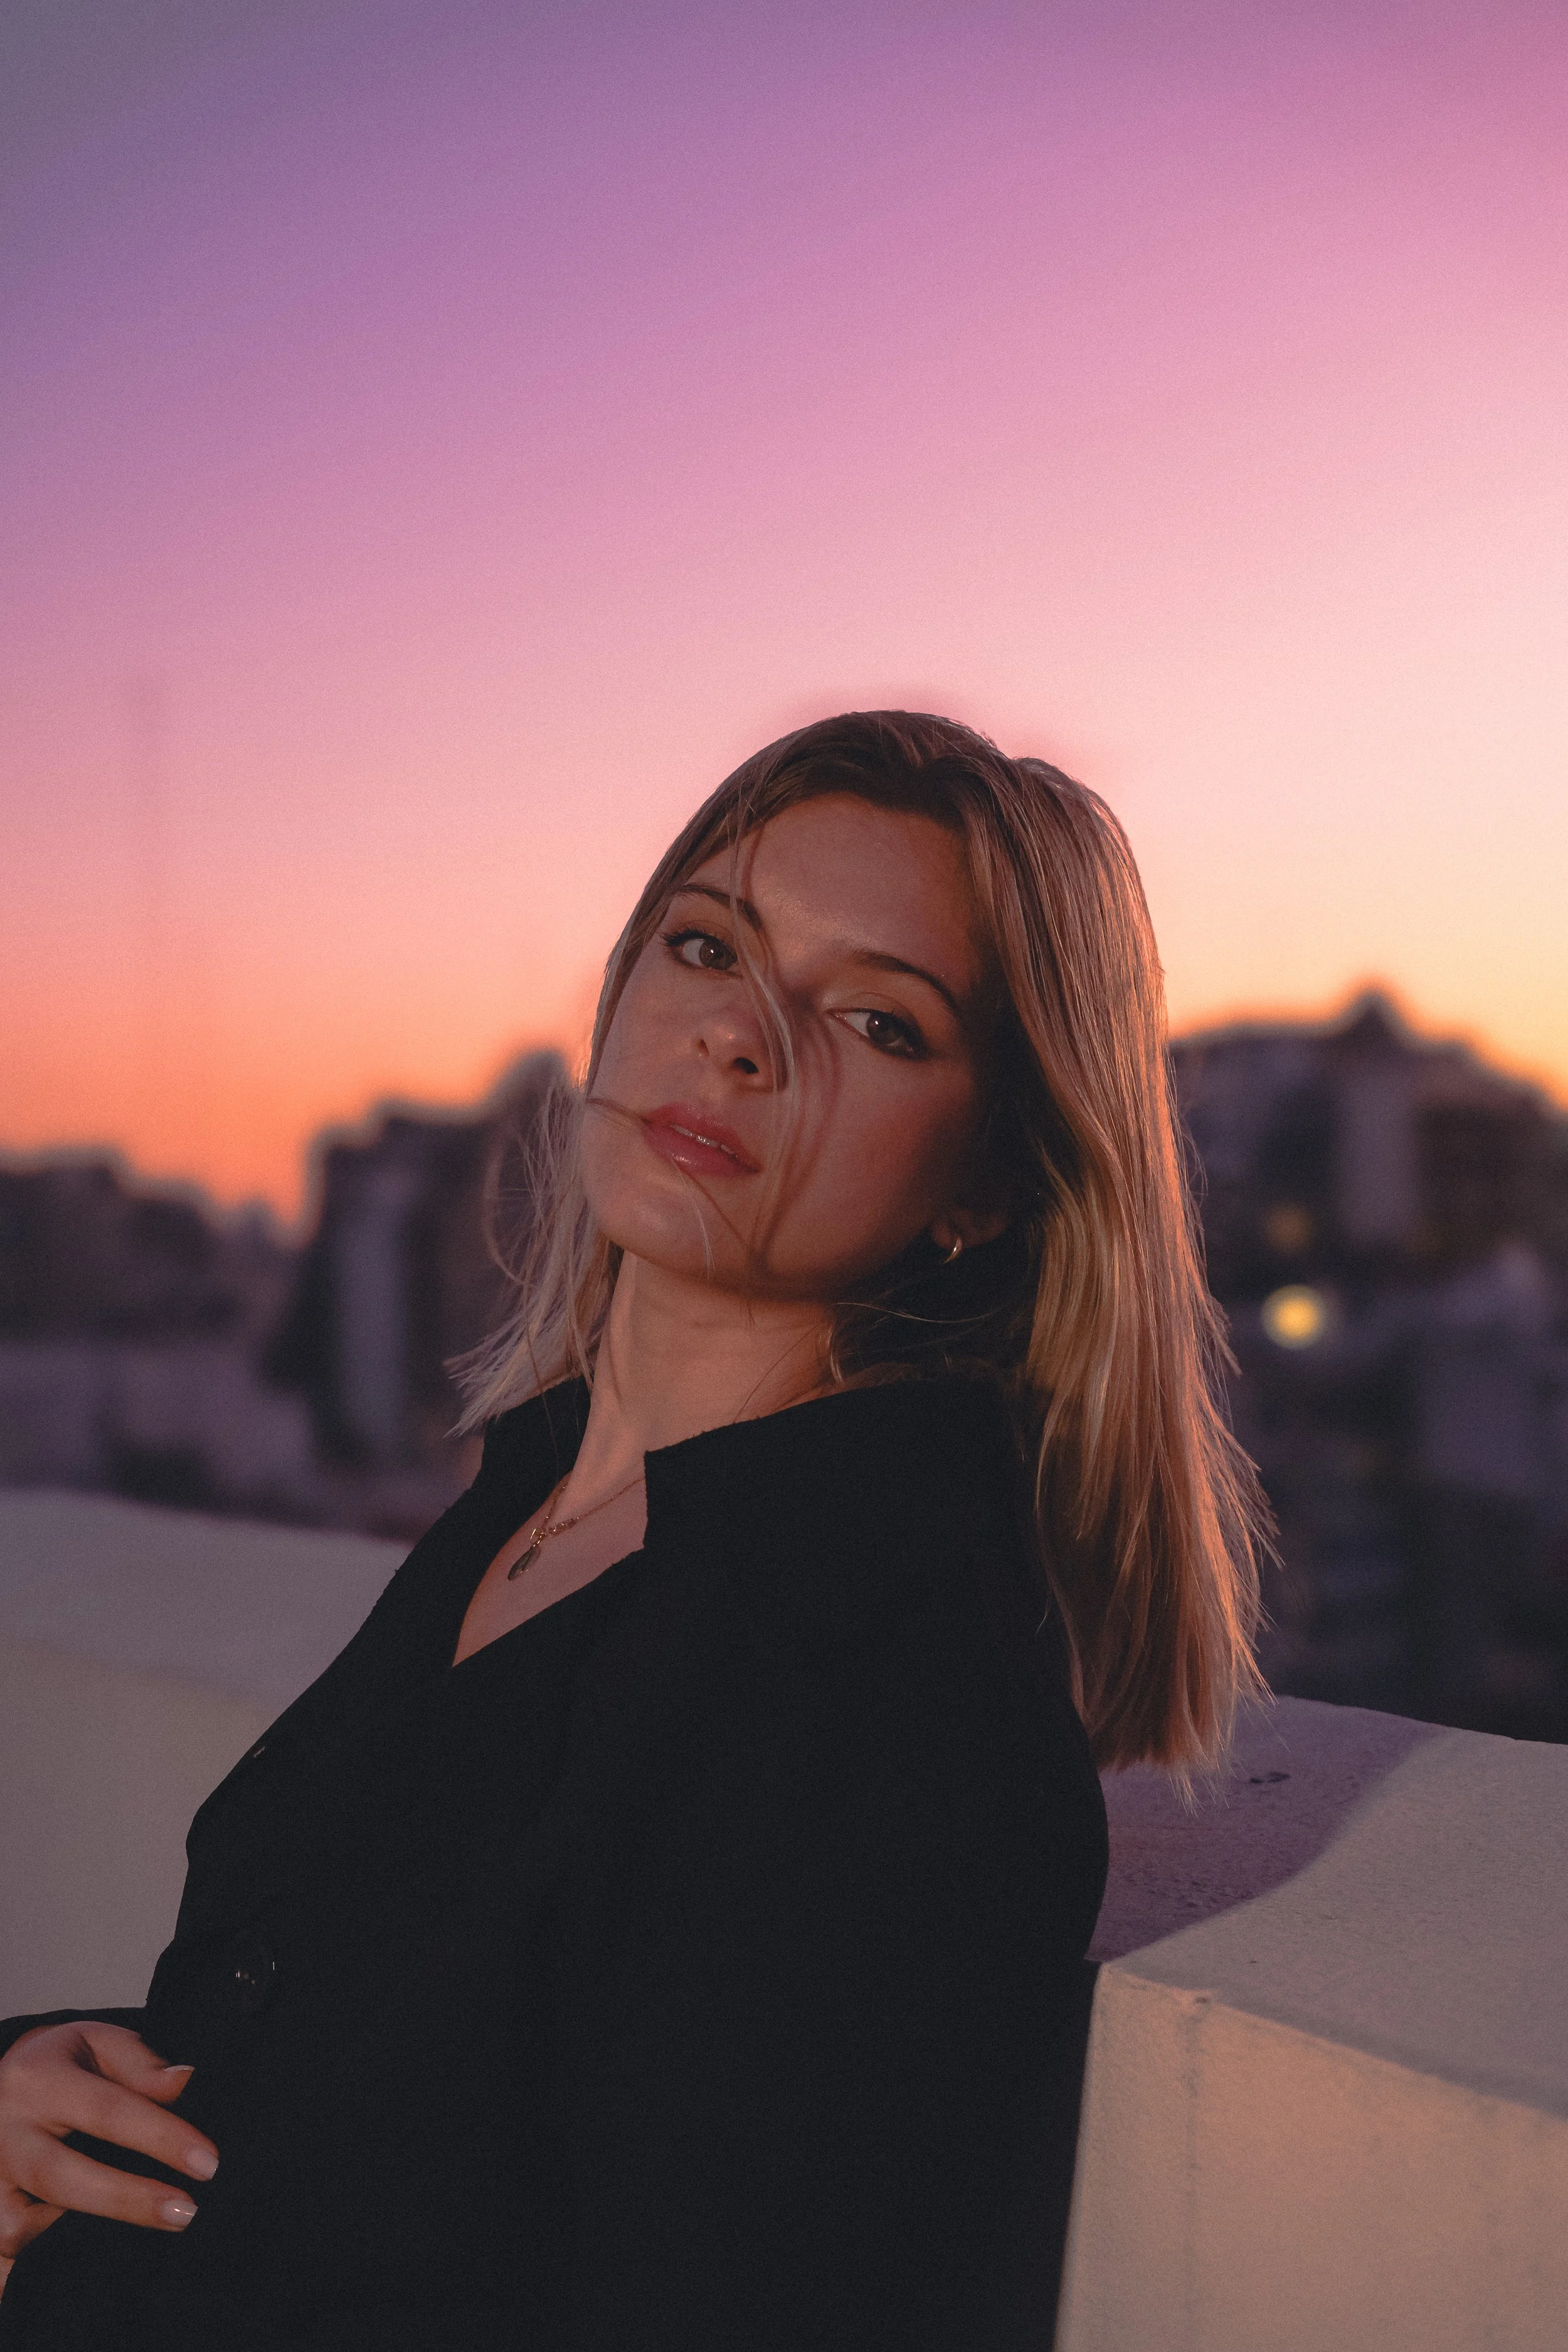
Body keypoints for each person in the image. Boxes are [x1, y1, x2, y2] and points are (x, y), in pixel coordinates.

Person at [0, 712, 1266, 2349]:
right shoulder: (533, 1503)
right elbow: (383, 2060)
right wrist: (38, 2074)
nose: (743, 1034)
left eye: (879, 1020)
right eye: (705, 945)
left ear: (989, 1182)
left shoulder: (893, 1678)